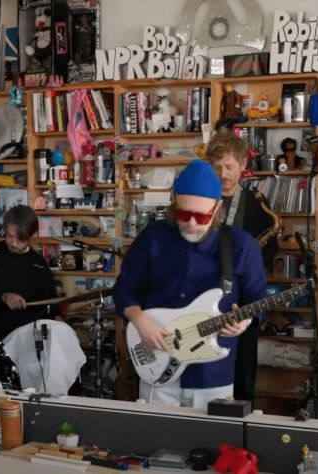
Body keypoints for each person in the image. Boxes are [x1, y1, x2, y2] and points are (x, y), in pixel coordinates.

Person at [113, 160, 267, 408]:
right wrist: (139, 321)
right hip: (156, 366)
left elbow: (257, 299)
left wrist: (245, 320)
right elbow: (124, 288)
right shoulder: (152, 237)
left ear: (217, 207)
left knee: (212, 443)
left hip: (213, 375)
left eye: (201, 215)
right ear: (174, 202)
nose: (192, 223)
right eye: (184, 214)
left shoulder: (241, 245)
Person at [205, 131, 281, 402]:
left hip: (242, 300)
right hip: (200, 297)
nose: (223, 174)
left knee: (243, 371)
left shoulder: (255, 202)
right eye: (216, 167)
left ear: (242, 167)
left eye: (229, 167)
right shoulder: (200, 197)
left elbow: (271, 245)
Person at [0, 204, 58, 381]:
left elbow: (49, 308)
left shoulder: (38, 264)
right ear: (5, 229)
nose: (14, 244)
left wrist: (57, 316)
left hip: (26, 344)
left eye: (21, 239)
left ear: (32, 236)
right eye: (10, 237)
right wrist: (3, 297)